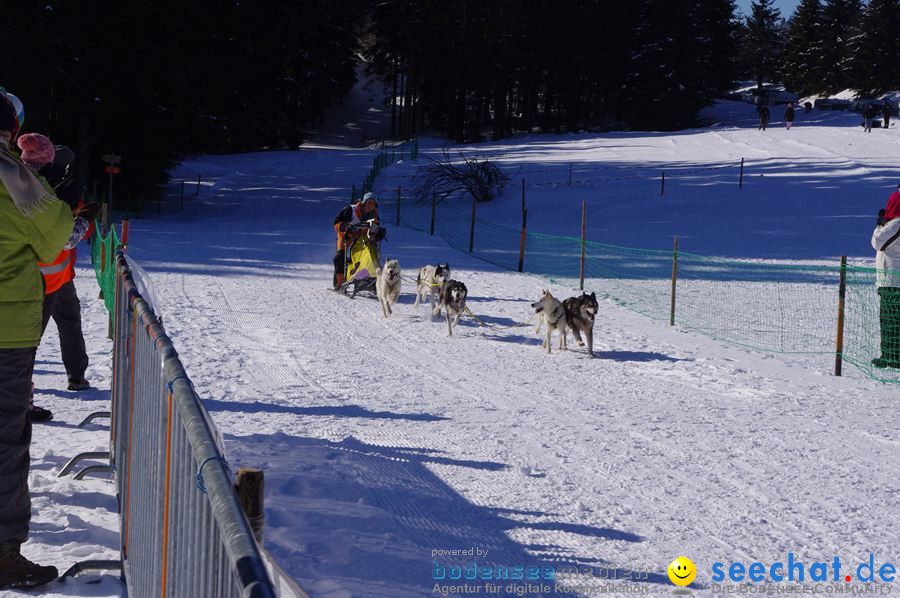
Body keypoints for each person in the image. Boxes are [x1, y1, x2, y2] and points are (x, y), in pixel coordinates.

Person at [0, 92, 73, 589]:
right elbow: (57, 234)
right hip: (6, 333)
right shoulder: (13, 177)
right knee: (5, 443)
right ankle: (4, 553)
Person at [19, 137, 97, 394]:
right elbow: (70, 238)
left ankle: (21, 384)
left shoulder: (14, 182)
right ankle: (75, 376)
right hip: (54, 274)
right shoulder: (63, 191)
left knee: (25, 335)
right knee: (67, 323)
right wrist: (85, 219)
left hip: (22, 271)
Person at [871, 186, 900, 369]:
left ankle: (891, 356)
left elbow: (877, 242)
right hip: (890, 278)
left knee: (891, 320)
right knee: (891, 319)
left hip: (893, 280)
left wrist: (881, 225)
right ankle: (891, 355)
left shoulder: (896, 224)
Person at [332, 192, 382, 289]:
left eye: (373, 204)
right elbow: (337, 222)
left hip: (361, 239)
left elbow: (377, 228)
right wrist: (344, 226)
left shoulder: (374, 215)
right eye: (369, 203)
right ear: (364, 202)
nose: (371, 206)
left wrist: (379, 232)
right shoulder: (351, 210)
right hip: (346, 236)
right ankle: (339, 282)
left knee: (369, 254)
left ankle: (369, 278)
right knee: (339, 257)